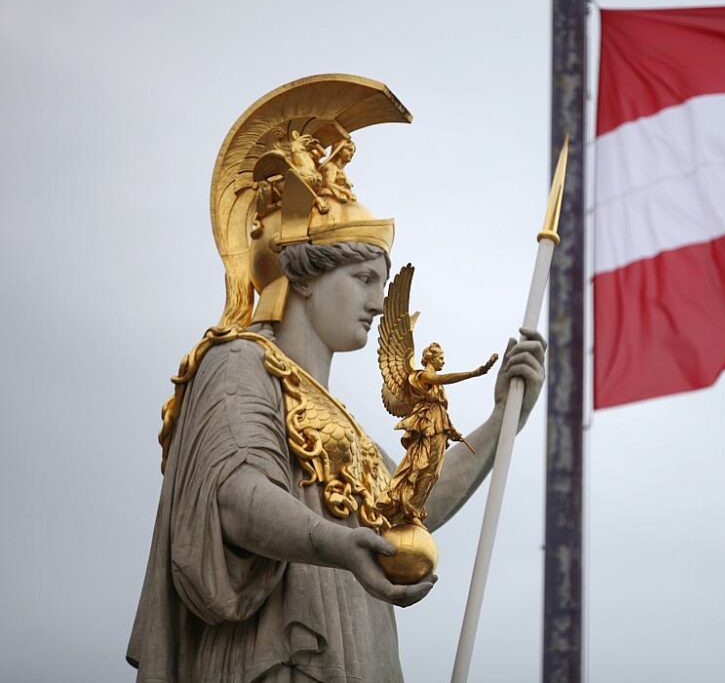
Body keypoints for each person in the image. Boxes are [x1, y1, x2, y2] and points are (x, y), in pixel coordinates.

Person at [127, 76, 546, 683]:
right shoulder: (239, 363)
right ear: (303, 277)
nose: (380, 303)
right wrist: (336, 545)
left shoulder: (340, 421)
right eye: (363, 280)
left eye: (381, 283)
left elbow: (410, 508)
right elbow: (236, 497)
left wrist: (504, 416)